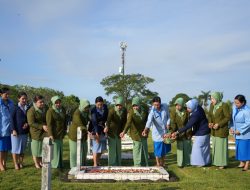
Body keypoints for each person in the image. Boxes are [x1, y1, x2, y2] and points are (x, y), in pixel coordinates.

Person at [172, 99, 211, 167]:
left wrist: (177, 132)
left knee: (196, 148)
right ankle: (206, 162)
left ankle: (199, 163)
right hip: (206, 130)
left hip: (202, 132)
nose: (187, 109)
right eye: (187, 107)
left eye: (189, 108)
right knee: (204, 148)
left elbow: (188, 126)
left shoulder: (195, 115)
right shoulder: (198, 107)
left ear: (193, 107)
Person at [142, 96, 171, 167]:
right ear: (152, 104)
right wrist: (145, 130)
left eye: (158, 105)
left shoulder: (165, 106)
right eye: (154, 105)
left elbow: (168, 116)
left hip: (165, 131)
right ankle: (158, 163)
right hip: (157, 133)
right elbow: (149, 122)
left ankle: (163, 163)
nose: (156, 106)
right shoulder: (152, 112)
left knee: (164, 148)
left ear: (160, 103)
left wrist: (168, 123)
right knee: (157, 150)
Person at [120, 97, 149, 166]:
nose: (135, 107)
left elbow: (148, 121)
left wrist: (146, 130)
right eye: (134, 106)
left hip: (144, 132)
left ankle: (145, 164)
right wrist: (124, 131)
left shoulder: (144, 111)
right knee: (137, 149)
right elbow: (128, 122)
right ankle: (137, 165)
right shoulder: (131, 112)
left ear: (139, 104)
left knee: (144, 148)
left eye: (136, 105)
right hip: (135, 133)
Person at [208, 92, 230, 169]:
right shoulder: (211, 105)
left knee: (221, 147)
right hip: (213, 130)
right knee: (215, 147)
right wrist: (210, 122)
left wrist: (219, 124)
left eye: (213, 99)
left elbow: (227, 117)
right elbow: (210, 115)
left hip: (221, 130)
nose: (211, 101)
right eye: (211, 99)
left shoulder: (224, 105)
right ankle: (216, 162)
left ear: (217, 98)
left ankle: (222, 163)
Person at [169, 97, 192, 168]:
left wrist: (189, 133)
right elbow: (173, 122)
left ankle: (188, 162)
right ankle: (180, 163)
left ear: (182, 105)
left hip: (187, 131)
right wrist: (173, 132)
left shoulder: (186, 111)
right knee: (180, 147)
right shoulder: (173, 111)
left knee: (187, 147)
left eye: (179, 105)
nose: (177, 107)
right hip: (177, 132)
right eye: (176, 105)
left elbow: (189, 122)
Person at [68, 99, 91, 168]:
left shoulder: (86, 112)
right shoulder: (76, 113)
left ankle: (82, 165)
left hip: (83, 135)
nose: (87, 108)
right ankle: (74, 167)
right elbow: (80, 124)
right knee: (74, 152)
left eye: (88, 107)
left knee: (84, 151)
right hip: (74, 135)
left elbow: (90, 119)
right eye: (85, 107)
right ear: (82, 105)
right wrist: (88, 131)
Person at [27, 95, 48, 168]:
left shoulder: (44, 109)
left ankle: (41, 162)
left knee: (42, 148)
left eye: (43, 102)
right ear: (35, 102)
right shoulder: (31, 111)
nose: (42, 103)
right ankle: (36, 163)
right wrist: (42, 126)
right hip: (35, 133)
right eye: (40, 102)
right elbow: (31, 123)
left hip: (44, 133)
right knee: (36, 149)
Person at [230, 95, 250, 171]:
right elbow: (233, 120)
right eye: (235, 103)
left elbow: (248, 123)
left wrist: (240, 130)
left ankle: (247, 165)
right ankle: (242, 163)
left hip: (245, 134)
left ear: (243, 103)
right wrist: (231, 128)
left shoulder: (247, 111)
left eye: (237, 103)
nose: (236, 104)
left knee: (246, 149)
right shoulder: (235, 109)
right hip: (236, 133)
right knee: (239, 149)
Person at [46, 96, 67, 169]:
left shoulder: (63, 109)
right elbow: (49, 124)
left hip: (61, 133)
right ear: (53, 103)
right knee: (55, 150)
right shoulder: (50, 111)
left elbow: (65, 121)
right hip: (54, 134)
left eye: (59, 102)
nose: (58, 104)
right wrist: (50, 134)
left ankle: (60, 164)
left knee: (60, 149)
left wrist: (65, 130)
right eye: (56, 103)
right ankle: (55, 165)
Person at [106, 97, 127, 166]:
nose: (119, 107)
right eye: (118, 105)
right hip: (111, 132)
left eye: (120, 105)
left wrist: (123, 131)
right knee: (112, 149)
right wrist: (106, 127)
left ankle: (118, 163)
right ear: (115, 105)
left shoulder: (124, 111)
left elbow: (124, 122)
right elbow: (108, 120)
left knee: (118, 148)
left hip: (119, 132)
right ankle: (111, 164)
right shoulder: (111, 111)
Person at [11, 92, 29, 170]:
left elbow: (29, 119)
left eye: (25, 98)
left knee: (22, 149)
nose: (24, 100)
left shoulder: (27, 108)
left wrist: (27, 123)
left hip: (24, 132)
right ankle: (15, 164)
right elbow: (11, 119)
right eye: (23, 98)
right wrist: (13, 130)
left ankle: (21, 162)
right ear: (19, 99)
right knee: (15, 149)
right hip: (16, 132)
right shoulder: (14, 107)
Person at [90, 96, 108, 167]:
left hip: (103, 129)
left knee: (102, 148)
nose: (100, 106)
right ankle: (94, 163)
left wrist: (107, 126)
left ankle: (98, 161)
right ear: (95, 104)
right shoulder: (93, 111)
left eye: (101, 104)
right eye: (98, 105)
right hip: (95, 129)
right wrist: (97, 134)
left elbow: (107, 118)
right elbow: (94, 122)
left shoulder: (105, 108)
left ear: (103, 103)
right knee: (96, 146)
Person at [0, 87, 15, 171]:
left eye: (9, 94)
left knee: (6, 148)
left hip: (9, 130)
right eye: (6, 94)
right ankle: (0, 164)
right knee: (1, 149)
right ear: (1, 94)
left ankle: (4, 163)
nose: (8, 95)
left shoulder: (11, 102)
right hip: (1, 130)